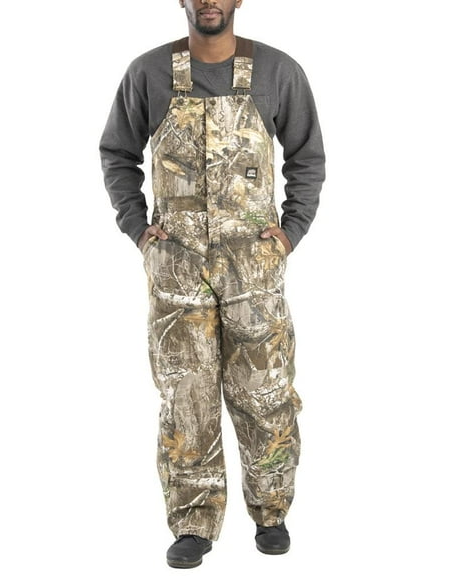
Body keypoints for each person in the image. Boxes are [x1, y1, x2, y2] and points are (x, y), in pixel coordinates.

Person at [99, 0, 325, 569]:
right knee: (186, 397)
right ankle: (193, 524)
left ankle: (271, 512)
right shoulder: (148, 72)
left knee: (265, 391)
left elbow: (307, 158)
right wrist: (139, 230)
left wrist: (290, 233)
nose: (208, 0)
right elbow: (117, 154)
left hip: (255, 268)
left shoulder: (278, 72)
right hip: (176, 269)